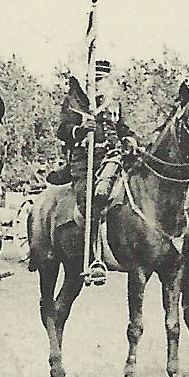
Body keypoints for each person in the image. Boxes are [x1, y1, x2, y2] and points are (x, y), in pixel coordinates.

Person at [53, 60, 136, 285]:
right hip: (84, 161)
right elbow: (62, 130)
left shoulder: (114, 101)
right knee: (92, 197)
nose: (100, 83)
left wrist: (129, 138)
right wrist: (80, 130)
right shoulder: (74, 101)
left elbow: (123, 127)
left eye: (103, 78)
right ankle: (94, 258)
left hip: (114, 158)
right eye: (95, 79)